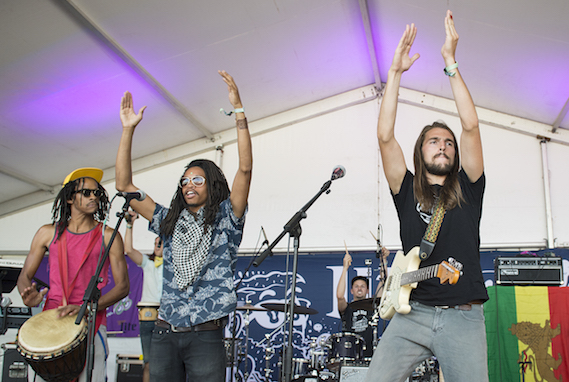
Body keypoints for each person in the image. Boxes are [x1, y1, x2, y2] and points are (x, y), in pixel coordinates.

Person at [364, 10, 488, 382]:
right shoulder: (406, 188)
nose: (444, 146)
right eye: (434, 141)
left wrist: (450, 62)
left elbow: (470, 125)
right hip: (411, 312)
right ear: (421, 151)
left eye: (448, 143)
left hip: (462, 315)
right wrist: (395, 75)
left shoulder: (468, 185)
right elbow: (385, 136)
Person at [115, 70, 252, 382]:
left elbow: (245, 167)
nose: (189, 185)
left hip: (205, 335)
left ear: (212, 184)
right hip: (164, 332)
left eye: (197, 180)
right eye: (185, 181)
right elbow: (124, 185)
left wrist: (239, 111)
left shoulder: (226, 217)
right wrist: (127, 131)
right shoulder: (168, 219)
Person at [17, 168, 130, 382]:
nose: (93, 197)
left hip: (91, 321)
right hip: (51, 320)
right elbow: (24, 276)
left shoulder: (109, 236)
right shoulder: (47, 233)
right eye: (86, 192)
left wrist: (87, 308)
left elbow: (123, 286)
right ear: (70, 197)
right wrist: (26, 292)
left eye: (97, 193)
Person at [123, 210, 163, 382]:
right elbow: (128, 249)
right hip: (147, 315)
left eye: (160, 242)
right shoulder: (149, 263)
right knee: (148, 362)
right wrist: (129, 225)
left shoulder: (175, 267)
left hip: (167, 317)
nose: (157, 245)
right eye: (155, 243)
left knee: (169, 363)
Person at [336, 247, 389, 359]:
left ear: (368, 290)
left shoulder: (373, 305)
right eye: (356, 286)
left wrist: (383, 260)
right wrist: (345, 268)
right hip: (350, 353)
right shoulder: (347, 308)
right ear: (351, 291)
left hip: (370, 354)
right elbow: (340, 296)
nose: (359, 289)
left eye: (362, 286)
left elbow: (384, 282)